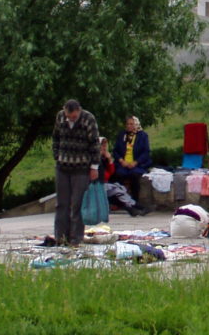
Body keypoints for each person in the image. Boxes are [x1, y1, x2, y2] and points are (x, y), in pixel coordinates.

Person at [52, 99, 100, 246]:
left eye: (73, 116)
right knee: (62, 204)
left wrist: (94, 167)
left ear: (78, 111)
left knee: (78, 204)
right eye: (68, 116)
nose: (70, 119)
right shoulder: (60, 117)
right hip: (63, 166)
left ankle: (76, 239)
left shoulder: (88, 119)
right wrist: (57, 155)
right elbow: (55, 137)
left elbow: (95, 143)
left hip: (81, 168)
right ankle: (61, 237)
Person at [99, 137, 150, 217]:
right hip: (94, 185)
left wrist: (110, 160)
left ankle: (132, 208)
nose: (104, 148)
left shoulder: (104, 158)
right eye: (102, 146)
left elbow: (111, 172)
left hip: (103, 184)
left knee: (119, 190)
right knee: (117, 190)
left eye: (105, 145)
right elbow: (104, 175)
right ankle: (136, 207)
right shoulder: (94, 159)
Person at [112, 115, 153, 202]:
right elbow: (115, 151)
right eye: (127, 124)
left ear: (136, 125)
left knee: (134, 175)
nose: (129, 126)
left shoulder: (143, 136)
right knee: (119, 175)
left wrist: (136, 162)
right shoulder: (122, 135)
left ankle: (135, 201)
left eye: (131, 124)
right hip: (123, 164)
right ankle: (120, 201)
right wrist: (121, 160)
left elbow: (146, 152)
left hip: (137, 165)